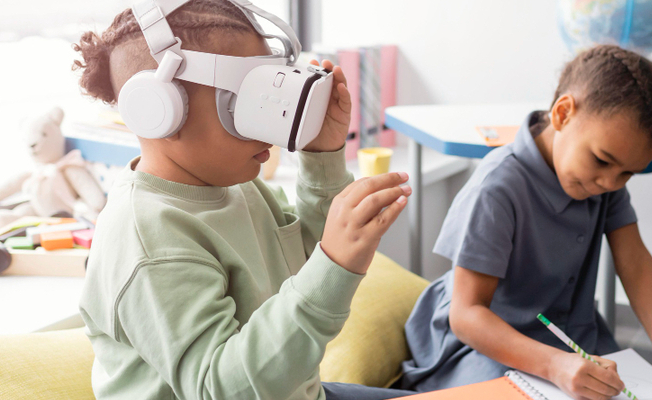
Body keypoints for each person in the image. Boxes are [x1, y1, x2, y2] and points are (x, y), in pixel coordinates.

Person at [74, 1, 416, 399]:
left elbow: (305, 270)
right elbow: (220, 388)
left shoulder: (234, 181)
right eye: (241, 105)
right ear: (160, 109)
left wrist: (322, 158)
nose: (267, 128)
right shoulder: (150, 239)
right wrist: (335, 265)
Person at [400, 45, 652, 400]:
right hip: (480, 344)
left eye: (628, 172)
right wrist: (553, 365)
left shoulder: (601, 181)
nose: (611, 183)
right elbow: (467, 315)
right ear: (563, 113)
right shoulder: (496, 187)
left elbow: (636, 263)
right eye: (602, 160)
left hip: (570, 338)